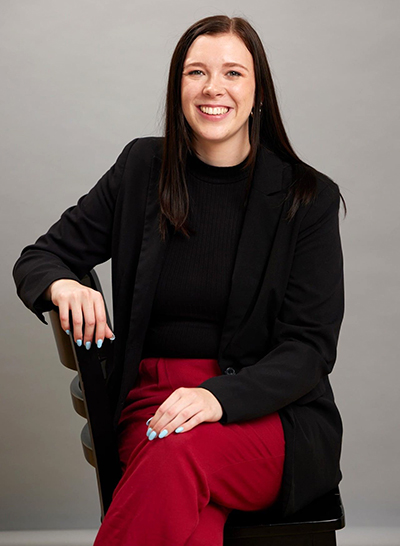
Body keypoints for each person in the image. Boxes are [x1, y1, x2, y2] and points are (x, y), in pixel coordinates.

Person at [12, 14, 347, 546]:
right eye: (197, 72)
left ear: (258, 93)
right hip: (153, 400)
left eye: (233, 73)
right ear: (178, 87)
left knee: (178, 456)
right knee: (183, 505)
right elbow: (40, 256)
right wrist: (64, 285)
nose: (214, 88)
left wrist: (219, 398)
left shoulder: (307, 198)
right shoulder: (142, 168)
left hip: (268, 415)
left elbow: (308, 349)